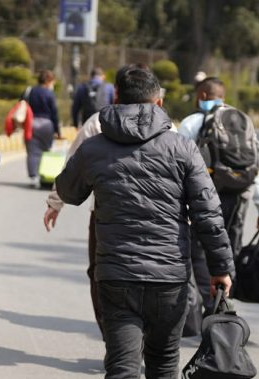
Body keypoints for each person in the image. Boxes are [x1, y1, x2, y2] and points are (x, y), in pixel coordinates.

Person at [55, 67, 234, 379]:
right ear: (158, 101)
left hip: (115, 276)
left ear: (115, 98)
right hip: (169, 278)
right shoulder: (181, 146)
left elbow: (68, 191)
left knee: (121, 370)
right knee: (163, 361)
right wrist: (221, 268)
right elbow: (208, 213)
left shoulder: (95, 146)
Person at [44, 64, 157, 334]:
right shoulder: (167, 128)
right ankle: (139, 336)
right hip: (154, 216)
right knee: (151, 274)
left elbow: (72, 167)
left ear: (115, 93)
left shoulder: (98, 122)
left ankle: (113, 336)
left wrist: (55, 202)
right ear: (156, 97)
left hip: (106, 215)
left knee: (101, 273)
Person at [178, 76, 259, 309]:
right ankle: (223, 301)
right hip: (239, 197)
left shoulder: (192, 123)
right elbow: (257, 168)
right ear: (223, 97)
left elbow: (179, 166)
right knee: (229, 248)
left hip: (205, 197)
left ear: (202, 96)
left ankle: (211, 306)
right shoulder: (242, 121)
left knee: (199, 252)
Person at [25, 69, 62, 188]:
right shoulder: (49, 94)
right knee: (46, 150)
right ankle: (44, 176)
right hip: (47, 124)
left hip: (31, 123)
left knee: (32, 151)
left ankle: (33, 177)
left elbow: (22, 104)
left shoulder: (30, 91)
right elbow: (54, 113)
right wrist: (57, 130)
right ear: (49, 81)